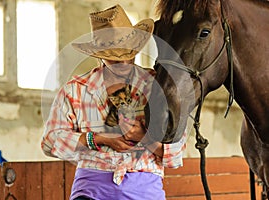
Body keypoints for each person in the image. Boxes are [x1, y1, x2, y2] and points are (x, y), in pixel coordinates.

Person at [41, 4, 186, 200]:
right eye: (115, 59)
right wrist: (97, 139)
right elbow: (50, 142)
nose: (125, 63)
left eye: (129, 55)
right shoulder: (75, 90)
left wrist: (145, 138)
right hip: (90, 192)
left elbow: (176, 154)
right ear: (100, 56)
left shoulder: (157, 87)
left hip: (144, 192)